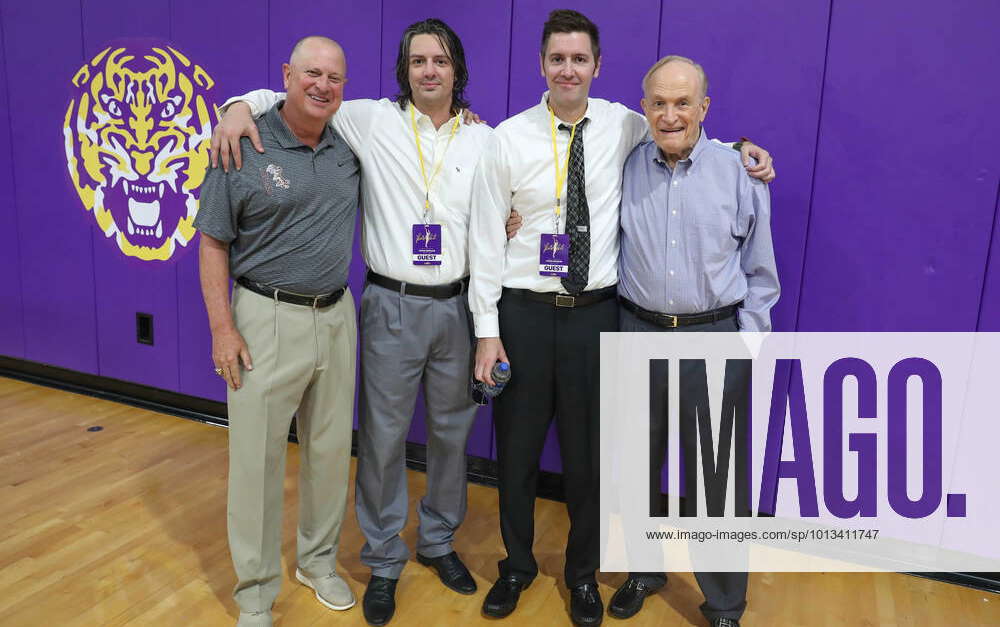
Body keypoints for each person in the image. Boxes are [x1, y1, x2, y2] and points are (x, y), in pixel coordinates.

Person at [469, 10, 774, 627]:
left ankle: (685, 598)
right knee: (585, 462)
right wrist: (487, 328)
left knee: (664, 471)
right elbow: (482, 236)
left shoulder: (640, 133)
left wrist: (745, 150)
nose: (668, 114)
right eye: (558, 58)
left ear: (597, 66)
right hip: (568, 319)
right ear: (542, 65)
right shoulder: (520, 138)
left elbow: (694, 143)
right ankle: (559, 567)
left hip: (642, 324)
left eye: (580, 59)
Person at [209, 19, 491, 626]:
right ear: (404, 70)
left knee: (430, 439)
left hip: (444, 306)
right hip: (381, 301)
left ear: (456, 68)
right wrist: (237, 106)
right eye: (418, 61)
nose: (430, 71)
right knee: (381, 440)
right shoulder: (369, 119)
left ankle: (430, 542)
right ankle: (377, 560)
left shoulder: (482, 139)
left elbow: (512, 202)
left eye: (440, 60)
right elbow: (291, 98)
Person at [609, 55, 779, 627]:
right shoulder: (625, 164)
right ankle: (644, 569)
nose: (670, 113)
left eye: (683, 102)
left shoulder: (740, 171)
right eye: (658, 102)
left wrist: (745, 346)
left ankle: (725, 604)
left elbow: (761, 273)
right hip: (637, 330)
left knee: (718, 481)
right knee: (634, 467)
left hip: (714, 337)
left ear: (705, 108)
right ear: (644, 107)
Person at [195, 36, 359, 627]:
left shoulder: (350, 145)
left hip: (338, 317)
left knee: (329, 452)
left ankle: (317, 564)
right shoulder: (241, 140)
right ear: (287, 75)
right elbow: (212, 242)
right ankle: (256, 594)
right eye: (311, 73)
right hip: (263, 318)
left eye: (335, 78)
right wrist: (222, 329)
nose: (323, 86)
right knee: (256, 464)